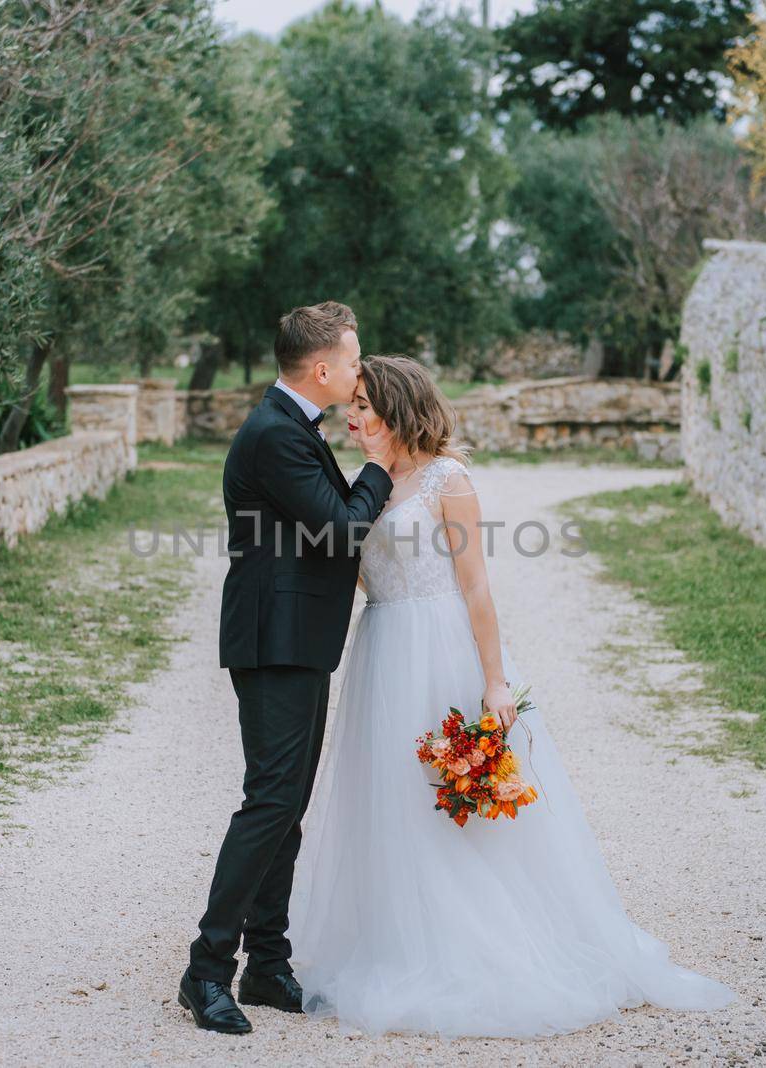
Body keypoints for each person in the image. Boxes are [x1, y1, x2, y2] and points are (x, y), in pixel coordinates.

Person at [284, 354, 737, 1038]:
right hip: (381, 650)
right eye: (352, 407)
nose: (352, 417)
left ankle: (481, 943)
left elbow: (475, 586)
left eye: (366, 408)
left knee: (456, 794)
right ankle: (400, 938)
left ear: (400, 409)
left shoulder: (448, 479)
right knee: (393, 796)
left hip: (440, 650)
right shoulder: (368, 483)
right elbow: (356, 571)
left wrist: (494, 681)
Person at [179, 302, 395, 1034]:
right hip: (273, 640)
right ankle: (206, 970)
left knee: (287, 808)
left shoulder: (289, 426)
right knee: (269, 801)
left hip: (297, 638)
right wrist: (380, 466)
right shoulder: (275, 434)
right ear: (324, 368)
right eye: (355, 360)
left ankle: (269, 965)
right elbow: (341, 531)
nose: (361, 371)